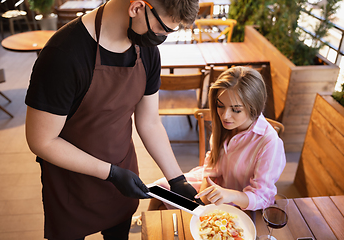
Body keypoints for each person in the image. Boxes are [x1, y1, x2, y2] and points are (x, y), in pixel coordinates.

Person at [24, 0, 201, 239]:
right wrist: (111, 173)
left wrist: (177, 179)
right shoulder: (64, 55)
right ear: (137, 7)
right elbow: (42, 140)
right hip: (71, 183)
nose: (163, 37)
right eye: (164, 29)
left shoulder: (146, 49)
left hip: (122, 174)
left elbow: (149, 121)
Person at [150, 66, 286, 211]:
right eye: (220, 106)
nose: (225, 116)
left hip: (241, 203)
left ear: (254, 108)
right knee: (158, 190)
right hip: (215, 187)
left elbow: (262, 197)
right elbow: (212, 161)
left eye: (236, 110)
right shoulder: (226, 125)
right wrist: (202, 196)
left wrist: (229, 195)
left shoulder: (270, 143)